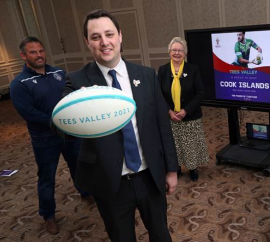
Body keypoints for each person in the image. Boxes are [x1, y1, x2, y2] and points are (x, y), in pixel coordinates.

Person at [63, 10, 178, 242]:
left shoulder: (146, 75)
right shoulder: (76, 82)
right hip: (109, 182)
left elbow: (162, 126)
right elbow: (59, 128)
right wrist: (78, 107)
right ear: (87, 42)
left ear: (120, 36)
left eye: (109, 34)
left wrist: (172, 170)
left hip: (149, 176)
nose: (104, 42)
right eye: (96, 37)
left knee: (161, 234)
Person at [10, 37, 92, 235]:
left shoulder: (58, 72)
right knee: (47, 178)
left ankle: (85, 192)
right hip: (44, 139)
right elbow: (29, 113)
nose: (39, 55)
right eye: (33, 52)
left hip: (70, 134)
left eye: (41, 50)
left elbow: (69, 96)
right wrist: (58, 120)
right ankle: (48, 215)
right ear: (24, 56)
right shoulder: (19, 84)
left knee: (78, 166)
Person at [157, 37, 209, 182]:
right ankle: (176, 168)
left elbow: (200, 93)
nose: (177, 53)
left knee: (190, 144)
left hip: (189, 115)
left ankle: (193, 169)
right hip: (170, 117)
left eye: (180, 50)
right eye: (174, 50)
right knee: (174, 145)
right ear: (169, 52)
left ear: (185, 53)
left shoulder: (193, 69)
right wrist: (169, 111)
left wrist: (185, 110)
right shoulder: (163, 70)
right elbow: (158, 94)